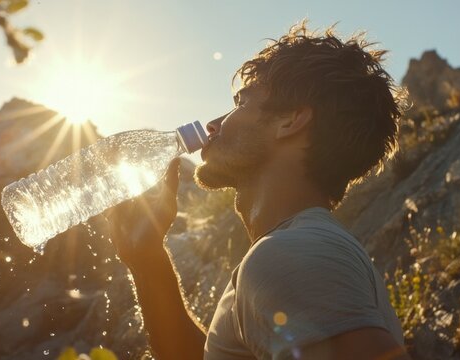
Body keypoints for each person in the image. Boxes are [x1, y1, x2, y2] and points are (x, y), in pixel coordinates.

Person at [105, 22, 409, 359]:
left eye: (241, 102)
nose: (213, 124)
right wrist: (148, 262)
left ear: (290, 122)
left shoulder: (292, 254)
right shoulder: (293, 249)